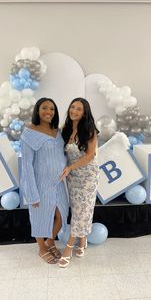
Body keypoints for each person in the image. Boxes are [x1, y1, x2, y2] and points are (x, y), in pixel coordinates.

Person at [19, 98, 69, 264]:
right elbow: (26, 165)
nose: (49, 112)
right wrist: (32, 193)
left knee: (61, 215)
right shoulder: (29, 133)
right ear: (37, 111)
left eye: (52, 109)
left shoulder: (57, 131)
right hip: (40, 183)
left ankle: (50, 241)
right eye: (45, 108)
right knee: (40, 216)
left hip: (58, 183)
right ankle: (41, 248)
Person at [59, 97, 99, 268]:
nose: (74, 111)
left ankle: (69, 247)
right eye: (72, 107)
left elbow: (91, 156)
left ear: (84, 113)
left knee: (82, 209)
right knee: (78, 209)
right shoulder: (65, 129)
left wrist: (71, 167)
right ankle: (83, 240)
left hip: (87, 176)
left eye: (79, 109)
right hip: (72, 177)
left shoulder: (89, 130)